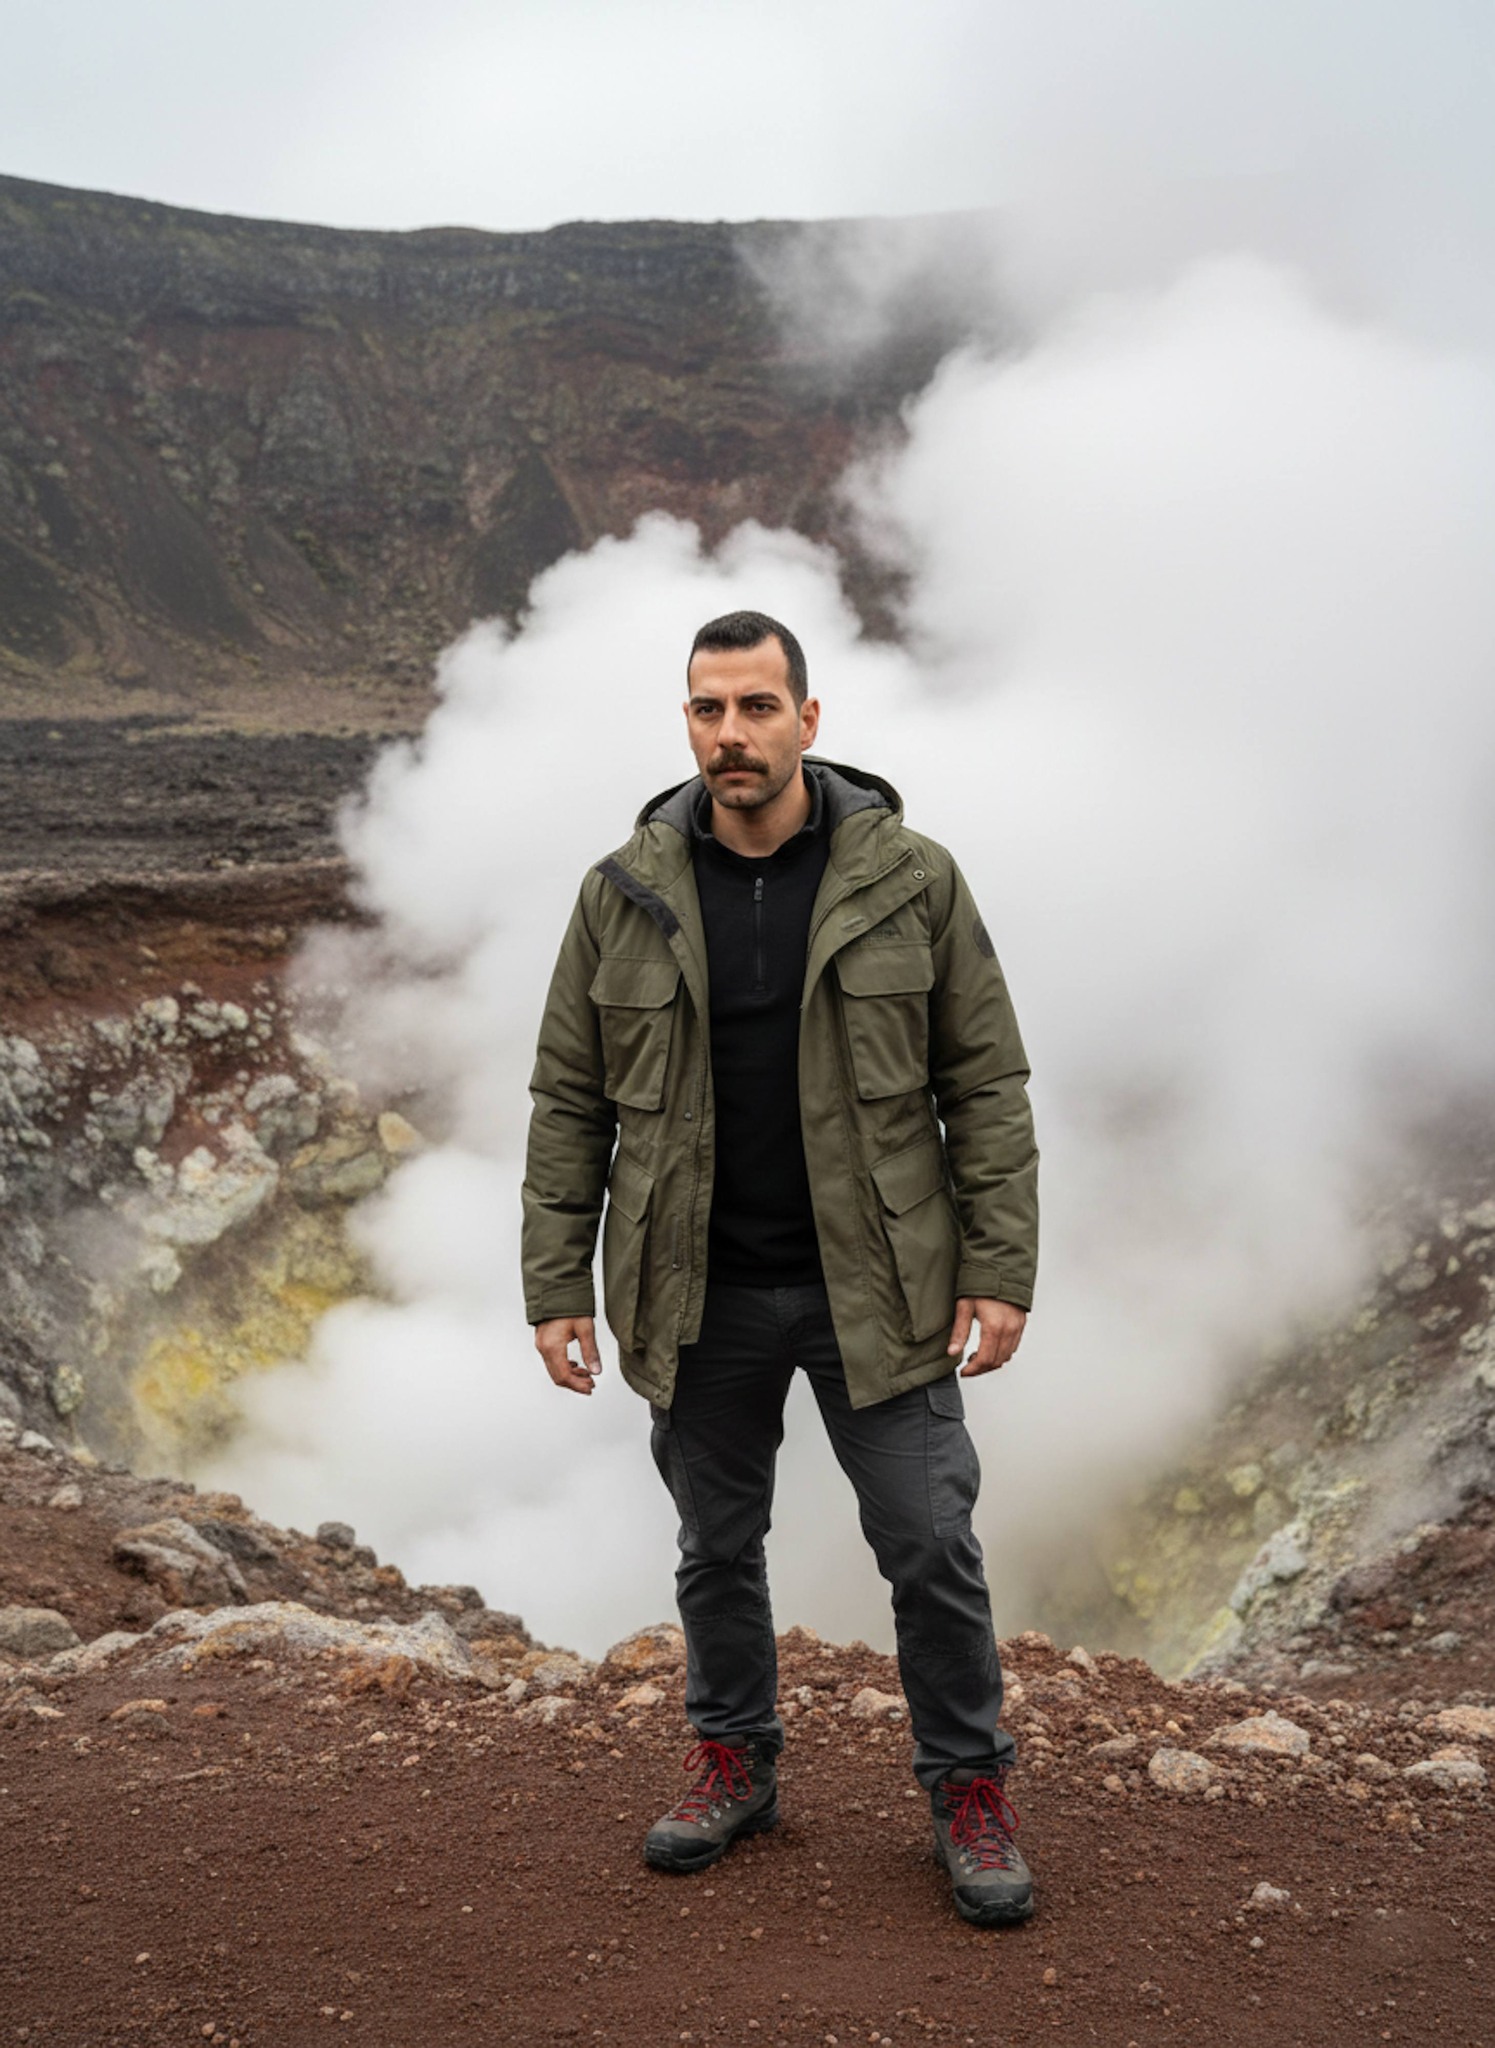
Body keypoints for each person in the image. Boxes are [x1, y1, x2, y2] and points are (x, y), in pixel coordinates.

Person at [521, 610, 1039, 1927]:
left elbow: (983, 1083)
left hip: (885, 1287)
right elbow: (569, 1102)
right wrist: (556, 1285)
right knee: (715, 1546)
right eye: (709, 710)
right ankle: (733, 1760)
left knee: (930, 1540)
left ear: (811, 720)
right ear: (686, 724)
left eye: (758, 708)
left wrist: (1001, 1265)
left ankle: (968, 1790)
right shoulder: (621, 894)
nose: (732, 736)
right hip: (696, 1292)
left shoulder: (910, 879)